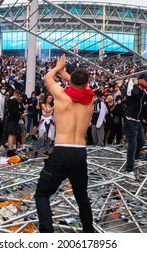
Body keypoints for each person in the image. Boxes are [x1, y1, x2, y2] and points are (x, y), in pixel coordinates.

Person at [35, 54, 95, 233]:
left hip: (62, 151)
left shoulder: (62, 96)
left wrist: (58, 68)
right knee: (81, 197)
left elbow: (47, 77)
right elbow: (81, 85)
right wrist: (66, 73)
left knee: (42, 194)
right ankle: (88, 232)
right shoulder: (90, 97)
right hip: (80, 152)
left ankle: (47, 232)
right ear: (87, 83)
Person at [124, 74, 147, 180]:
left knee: (141, 142)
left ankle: (134, 160)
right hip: (131, 120)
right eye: (145, 80)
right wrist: (138, 84)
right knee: (132, 145)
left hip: (137, 120)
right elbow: (135, 94)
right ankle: (129, 169)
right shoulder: (134, 88)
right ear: (140, 80)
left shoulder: (143, 91)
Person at [33, 93, 55, 158]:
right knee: (42, 136)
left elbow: (51, 113)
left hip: (50, 121)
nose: (50, 100)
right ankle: (37, 150)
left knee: (48, 136)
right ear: (46, 98)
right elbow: (47, 111)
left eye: (51, 98)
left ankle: (46, 150)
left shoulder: (51, 105)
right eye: (49, 98)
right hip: (44, 121)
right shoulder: (43, 104)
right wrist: (53, 107)